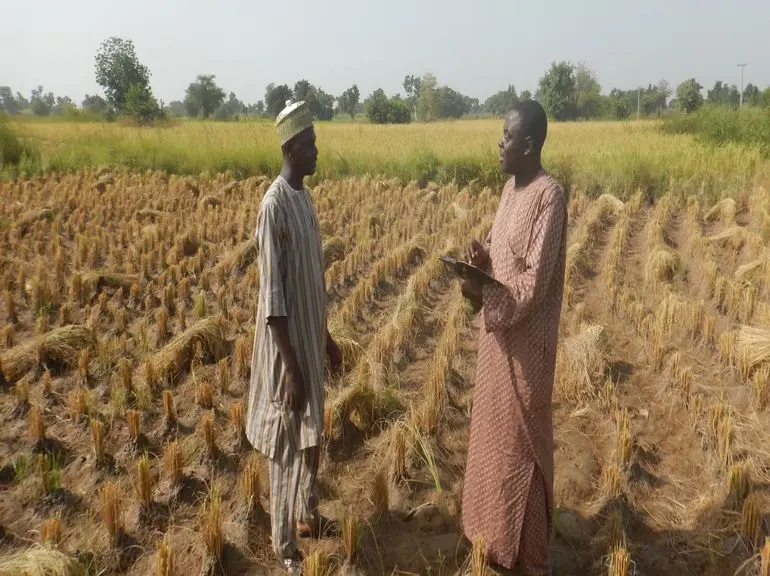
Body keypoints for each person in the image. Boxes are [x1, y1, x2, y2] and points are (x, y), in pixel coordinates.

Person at [460, 99, 567, 576]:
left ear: (528, 145)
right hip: (496, 346)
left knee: (522, 449)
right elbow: (504, 261)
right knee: (491, 441)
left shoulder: (549, 197)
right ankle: (492, 542)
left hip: (527, 351)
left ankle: (529, 558)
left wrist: (486, 291)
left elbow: (533, 285)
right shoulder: (509, 189)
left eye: (506, 136)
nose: (498, 143)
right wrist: (480, 262)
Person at [245, 100, 344, 575]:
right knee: (286, 445)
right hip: (287, 352)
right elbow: (273, 296)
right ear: (290, 147)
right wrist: (290, 366)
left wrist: (325, 341)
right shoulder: (274, 206)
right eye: (310, 144)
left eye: (316, 142)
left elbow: (312, 282)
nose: (317, 151)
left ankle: (307, 513)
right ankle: (285, 548)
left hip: (308, 341)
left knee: (311, 435)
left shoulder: (304, 199)